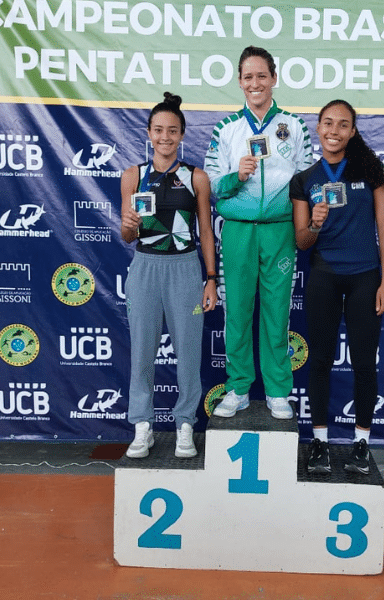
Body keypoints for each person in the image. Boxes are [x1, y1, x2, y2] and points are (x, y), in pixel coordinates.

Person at [204, 46, 314, 420]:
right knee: (236, 311)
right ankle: (238, 388)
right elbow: (213, 185)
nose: (255, 83)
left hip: (280, 231)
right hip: (238, 231)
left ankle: (278, 391)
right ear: (240, 81)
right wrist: (236, 176)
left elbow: (307, 179)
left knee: (277, 313)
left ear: (274, 78)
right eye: (248, 77)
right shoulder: (226, 128)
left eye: (261, 76)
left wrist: (307, 221)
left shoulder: (293, 126)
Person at [291, 99, 384, 475]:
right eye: (328, 123)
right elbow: (302, 241)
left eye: (342, 124)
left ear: (352, 131)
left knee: (364, 362)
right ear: (318, 128)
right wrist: (315, 224)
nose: (334, 131)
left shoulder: (372, 171)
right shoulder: (304, 179)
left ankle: (361, 445)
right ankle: (319, 442)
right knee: (320, 360)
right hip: (324, 277)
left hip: (366, 277)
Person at [120, 93, 218, 459]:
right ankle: (142, 426)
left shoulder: (196, 177)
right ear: (149, 133)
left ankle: (185, 425)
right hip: (145, 267)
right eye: (159, 130)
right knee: (142, 351)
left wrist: (211, 278)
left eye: (172, 131)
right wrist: (128, 223)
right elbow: (127, 235)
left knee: (188, 352)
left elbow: (205, 232)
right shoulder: (132, 175)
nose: (165, 137)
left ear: (181, 135)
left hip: (185, 269)